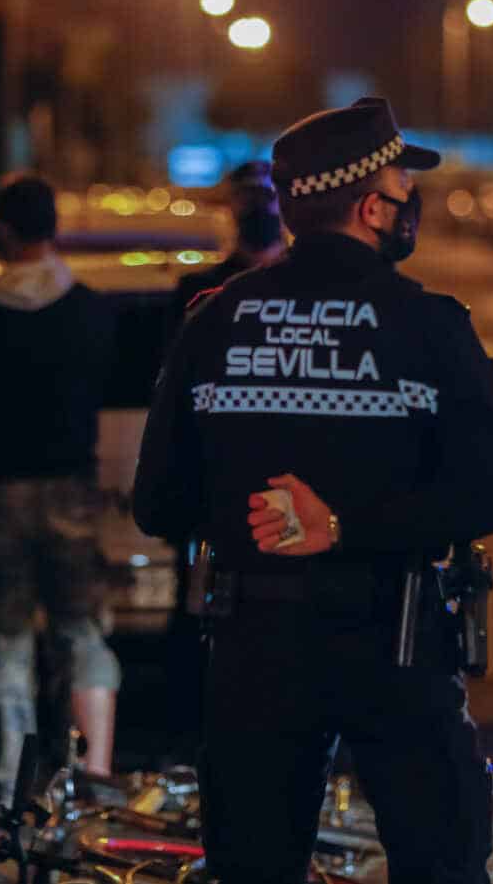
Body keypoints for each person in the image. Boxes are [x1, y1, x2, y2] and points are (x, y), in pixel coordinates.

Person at [133, 97, 493, 884]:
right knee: (440, 859)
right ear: (373, 206)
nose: (411, 203)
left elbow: (158, 503)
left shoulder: (216, 320)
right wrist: (345, 524)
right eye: (402, 187)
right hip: (395, 639)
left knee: (254, 866)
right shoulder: (430, 325)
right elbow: (488, 494)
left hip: (254, 645)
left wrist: (254, 518)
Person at [0, 174, 120, 804]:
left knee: (5, 641)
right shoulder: (92, 310)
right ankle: (94, 774)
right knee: (81, 632)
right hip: (71, 491)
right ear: (54, 231)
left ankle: (7, 788)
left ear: (4, 230)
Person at [160, 160, 286, 764]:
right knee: (205, 620)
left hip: (279, 484)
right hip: (224, 486)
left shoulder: (302, 290)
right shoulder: (204, 295)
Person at [165, 160, 286, 342]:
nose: (259, 207)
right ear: (231, 205)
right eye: (249, 198)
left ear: (285, 205)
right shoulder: (199, 290)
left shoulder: (308, 286)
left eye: (267, 197)